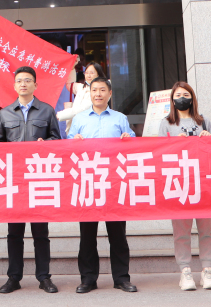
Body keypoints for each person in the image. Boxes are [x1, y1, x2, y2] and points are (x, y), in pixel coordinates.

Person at [0, 66, 61, 294]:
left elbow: (57, 141)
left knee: (41, 232)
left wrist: (46, 144)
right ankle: (14, 277)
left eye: (28, 80)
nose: (23, 84)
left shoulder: (47, 110)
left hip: (38, 179)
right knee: (14, 232)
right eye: (19, 81)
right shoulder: (5, 113)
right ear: (14, 85)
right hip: (14, 180)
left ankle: (44, 277)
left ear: (35, 85)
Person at [68, 77, 137, 293]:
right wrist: (73, 142)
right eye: (94, 90)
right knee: (87, 236)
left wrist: (129, 139)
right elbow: (67, 147)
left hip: (114, 184)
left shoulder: (120, 118)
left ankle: (121, 278)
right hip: (88, 183)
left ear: (110, 93)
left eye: (102, 90)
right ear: (89, 94)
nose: (98, 94)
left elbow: (134, 144)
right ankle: (88, 279)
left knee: (118, 235)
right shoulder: (79, 119)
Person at [158, 81, 211, 291]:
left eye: (186, 94)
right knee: (181, 231)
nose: (182, 98)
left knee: (207, 229)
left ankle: (207, 270)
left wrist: (210, 138)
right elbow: (159, 152)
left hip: (204, 182)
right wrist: (175, 142)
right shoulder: (166, 123)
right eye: (178, 95)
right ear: (172, 99)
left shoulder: (203, 121)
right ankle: (185, 271)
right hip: (179, 183)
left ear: (192, 98)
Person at [57, 62, 105, 136]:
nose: (88, 75)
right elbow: (69, 84)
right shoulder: (81, 87)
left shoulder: (99, 92)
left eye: (92, 73)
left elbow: (81, 110)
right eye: (86, 72)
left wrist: (59, 115)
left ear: (98, 74)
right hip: (76, 130)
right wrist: (72, 67)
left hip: (90, 131)